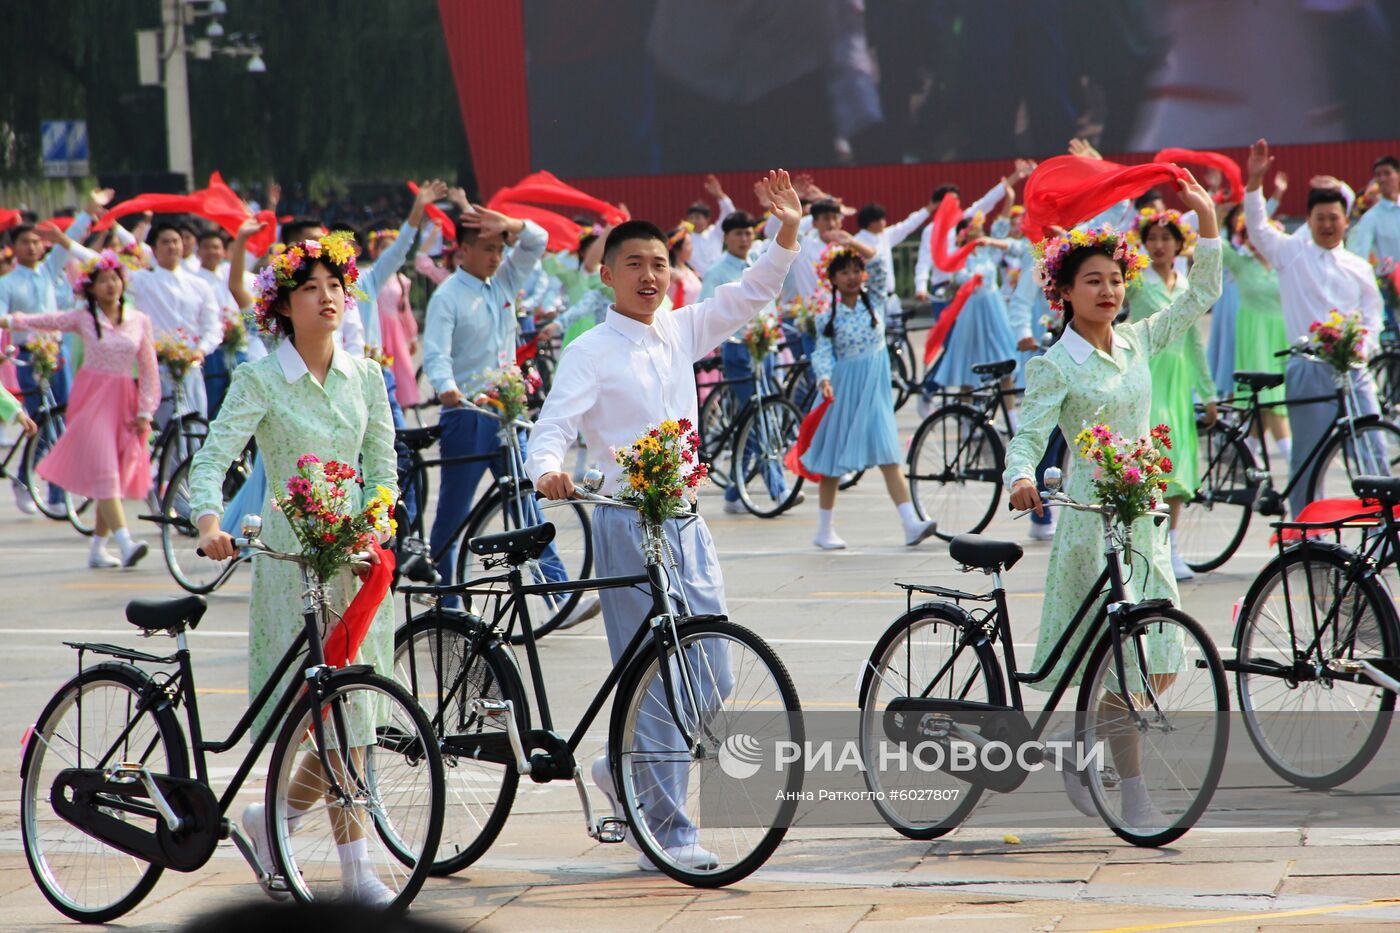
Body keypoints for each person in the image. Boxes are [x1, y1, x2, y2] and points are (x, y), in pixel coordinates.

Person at [528, 169, 802, 872]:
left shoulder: (681, 329)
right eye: (634, 264)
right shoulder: (591, 349)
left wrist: (788, 233)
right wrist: (547, 471)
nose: (649, 275)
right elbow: (552, 427)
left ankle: (620, 774)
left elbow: (750, 294)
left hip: (685, 521)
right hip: (625, 524)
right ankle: (669, 832)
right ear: (607, 275)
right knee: (651, 678)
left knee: (710, 669)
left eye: (659, 263)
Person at [189, 230, 400, 906]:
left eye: (335, 286)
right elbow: (212, 457)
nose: (327, 297)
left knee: (353, 714)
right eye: (310, 288)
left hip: (356, 562)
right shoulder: (259, 378)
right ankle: (286, 824)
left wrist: (377, 520)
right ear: (283, 305)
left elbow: (385, 469)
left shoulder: (366, 373)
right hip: (291, 562)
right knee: (308, 715)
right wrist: (210, 523)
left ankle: (348, 864)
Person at [1006, 170, 1221, 822]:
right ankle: (1133, 796)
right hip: (1091, 522)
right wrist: (1020, 478)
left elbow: (1199, 295)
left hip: (1145, 517)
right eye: (1092, 280)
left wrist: (1207, 218)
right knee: (1122, 664)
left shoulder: (1136, 339)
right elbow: (1028, 435)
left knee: (1162, 658)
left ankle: (1083, 748)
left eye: (1114, 279)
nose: (1107, 290)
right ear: (1064, 293)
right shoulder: (1055, 365)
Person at [421, 203, 599, 626]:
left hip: (508, 414)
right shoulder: (448, 295)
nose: (496, 256)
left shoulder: (503, 281)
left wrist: (512, 225)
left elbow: (535, 241)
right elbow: (435, 354)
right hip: (467, 413)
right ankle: (445, 596)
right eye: (486, 248)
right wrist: (446, 387)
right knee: (455, 510)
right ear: (462, 250)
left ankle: (556, 598)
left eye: (500, 248)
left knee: (528, 504)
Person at [1243, 139, 1386, 518]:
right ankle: (1307, 530)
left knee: (1371, 446)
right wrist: (1255, 181)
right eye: (1319, 217)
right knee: (1309, 454)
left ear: (1346, 220)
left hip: (1353, 370)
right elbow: (1256, 227)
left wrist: (1364, 346)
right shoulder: (1292, 254)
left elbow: (1373, 314)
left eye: (1334, 217)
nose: (1327, 224)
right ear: (1308, 220)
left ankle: (1384, 529)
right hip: (1309, 367)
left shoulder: (1358, 266)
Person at [0, 251, 159, 567]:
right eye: (103, 281)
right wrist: (9, 320)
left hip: (124, 401)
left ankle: (99, 548)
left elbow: (149, 366)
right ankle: (125, 543)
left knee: (111, 475)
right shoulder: (83, 317)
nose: (110, 285)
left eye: (114, 279)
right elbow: (47, 320)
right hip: (92, 400)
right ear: (92, 288)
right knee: (105, 470)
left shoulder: (139, 320)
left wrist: (145, 411)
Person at [802, 248, 937, 549]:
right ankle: (824, 530)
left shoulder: (875, 301)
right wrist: (824, 378)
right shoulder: (827, 316)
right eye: (844, 272)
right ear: (833, 279)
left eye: (855, 271)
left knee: (889, 453)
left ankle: (910, 523)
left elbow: (879, 267)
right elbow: (822, 352)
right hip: (844, 389)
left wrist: (851, 242)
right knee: (833, 461)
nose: (852, 277)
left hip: (875, 390)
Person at [1125, 207, 1217, 580]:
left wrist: (1207, 392)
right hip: (1146, 375)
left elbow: (1195, 341)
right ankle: (1149, 544)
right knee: (1151, 459)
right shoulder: (1135, 282)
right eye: (1152, 239)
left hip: (1178, 382)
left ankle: (1170, 546)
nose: (1159, 245)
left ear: (1180, 244)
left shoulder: (1185, 286)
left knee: (1176, 464)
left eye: (1166, 239)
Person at [700, 209, 806, 514]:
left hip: (767, 348)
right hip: (739, 352)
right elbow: (705, 311)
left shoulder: (758, 260)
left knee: (761, 416)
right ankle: (779, 490)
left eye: (748, 233)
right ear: (726, 238)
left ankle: (735, 491)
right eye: (738, 234)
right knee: (759, 418)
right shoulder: (717, 271)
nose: (745, 239)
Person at [0, 223, 73, 512]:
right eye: (25, 242)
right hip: (30, 355)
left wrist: (88, 216)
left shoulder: (49, 270)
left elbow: (71, 245)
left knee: (62, 419)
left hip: (57, 351)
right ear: (14, 248)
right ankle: (25, 479)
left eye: (36, 242)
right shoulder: (6, 282)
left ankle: (57, 495)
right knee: (41, 420)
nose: (32, 247)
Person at [1223, 205, 1291, 461]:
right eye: (1248, 234)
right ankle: (1291, 456)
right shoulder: (1241, 263)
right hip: (1254, 335)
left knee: (1263, 405)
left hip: (1280, 334)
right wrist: (1215, 212)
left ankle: (1249, 457)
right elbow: (1216, 244)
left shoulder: (1283, 263)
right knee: (1268, 398)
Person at [685, 174, 735, 277]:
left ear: (707, 220)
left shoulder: (715, 233)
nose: (694, 221)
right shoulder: (684, 238)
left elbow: (730, 214)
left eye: (698, 217)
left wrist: (720, 195)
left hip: (719, 278)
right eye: (691, 218)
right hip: (695, 282)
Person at [666, 225, 702, 307]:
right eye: (688, 244)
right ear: (677, 249)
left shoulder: (691, 270)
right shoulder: (669, 272)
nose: (692, 248)